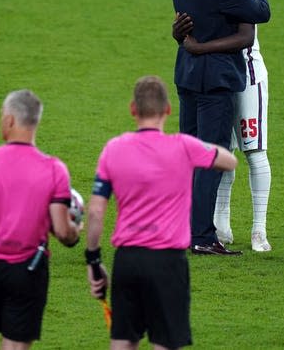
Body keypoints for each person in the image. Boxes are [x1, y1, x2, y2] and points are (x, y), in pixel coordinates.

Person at [85, 76, 239, 349]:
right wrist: (200, 148)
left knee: (122, 343)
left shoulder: (114, 149)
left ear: (133, 109)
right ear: (168, 110)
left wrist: (94, 260)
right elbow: (229, 161)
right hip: (168, 263)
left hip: (128, 260)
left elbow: (96, 212)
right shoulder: (184, 147)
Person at [0, 89, 82, 350]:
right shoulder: (55, 170)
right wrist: (75, 229)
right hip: (28, 270)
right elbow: (64, 233)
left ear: (9, 120)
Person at [171, 0, 271, 254]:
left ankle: (185, 230)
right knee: (211, 157)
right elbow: (261, 12)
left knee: (189, 155)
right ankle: (201, 237)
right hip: (215, 82)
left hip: (186, 76)